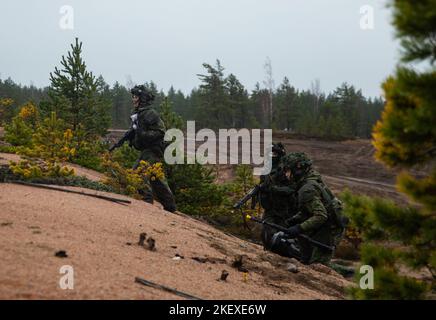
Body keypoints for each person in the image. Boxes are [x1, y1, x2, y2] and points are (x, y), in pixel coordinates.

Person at [269, 152, 348, 267]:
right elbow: (310, 209)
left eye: (288, 171)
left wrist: (298, 228)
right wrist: (292, 221)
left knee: (318, 265)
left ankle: (348, 274)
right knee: (307, 258)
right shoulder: (310, 179)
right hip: (326, 224)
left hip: (330, 229)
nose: (286, 174)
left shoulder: (307, 189)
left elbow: (321, 215)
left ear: (297, 171)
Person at [110, 85, 176, 213]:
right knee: (156, 178)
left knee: (137, 173)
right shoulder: (138, 114)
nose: (133, 99)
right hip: (147, 150)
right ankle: (170, 206)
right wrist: (129, 138)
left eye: (135, 97)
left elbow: (161, 132)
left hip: (153, 149)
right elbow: (134, 130)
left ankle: (146, 202)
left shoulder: (150, 113)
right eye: (133, 97)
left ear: (142, 98)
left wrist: (143, 134)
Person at [259, 143, 297, 254]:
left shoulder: (287, 171)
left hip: (285, 211)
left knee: (283, 238)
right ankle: (269, 255)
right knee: (266, 235)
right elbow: (264, 187)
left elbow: (293, 189)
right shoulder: (266, 170)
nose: (272, 156)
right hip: (270, 209)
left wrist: (274, 189)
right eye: (270, 153)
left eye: (274, 153)